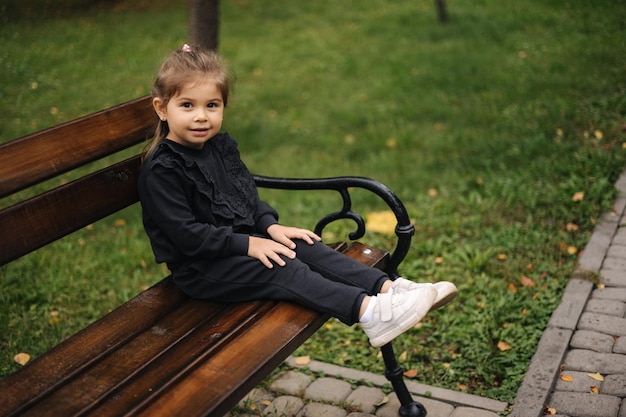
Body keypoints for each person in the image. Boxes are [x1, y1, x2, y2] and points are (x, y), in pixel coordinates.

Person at [138, 44, 457, 348]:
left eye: (212, 105)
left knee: (303, 246)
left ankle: (392, 290)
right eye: (187, 105)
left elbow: (244, 195)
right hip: (204, 269)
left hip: (239, 245)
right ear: (161, 109)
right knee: (283, 267)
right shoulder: (163, 169)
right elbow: (187, 237)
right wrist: (251, 243)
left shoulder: (218, 147)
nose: (201, 116)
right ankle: (371, 314)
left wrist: (269, 226)